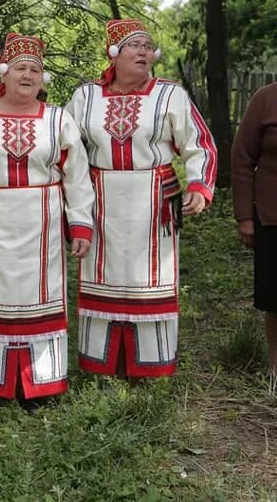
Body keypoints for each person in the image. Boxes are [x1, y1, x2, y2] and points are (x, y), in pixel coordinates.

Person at [0, 33, 94, 409]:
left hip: (42, 226)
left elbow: (77, 176)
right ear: (4, 73)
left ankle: (40, 383)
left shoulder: (58, 120)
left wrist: (80, 223)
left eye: (35, 69)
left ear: (43, 78)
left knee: (42, 298)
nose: (27, 75)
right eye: (20, 68)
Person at [67, 19, 217, 378]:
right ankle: (100, 365)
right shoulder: (85, 96)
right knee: (102, 275)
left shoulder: (170, 95)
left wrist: (199, 186)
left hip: (153, 204)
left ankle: (150, 366)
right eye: (136, 45)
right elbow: (66, 149)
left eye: (149, 47)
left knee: (151, 279)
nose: (144, 52)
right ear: (114, 54)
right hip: (100, 201)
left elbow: (201, 144)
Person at [231, 82, 277, 381]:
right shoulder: (266, 98)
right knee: (275, 298)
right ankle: (276, 367)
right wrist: (245, 216)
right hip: (273, 214)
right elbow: (242, 158)